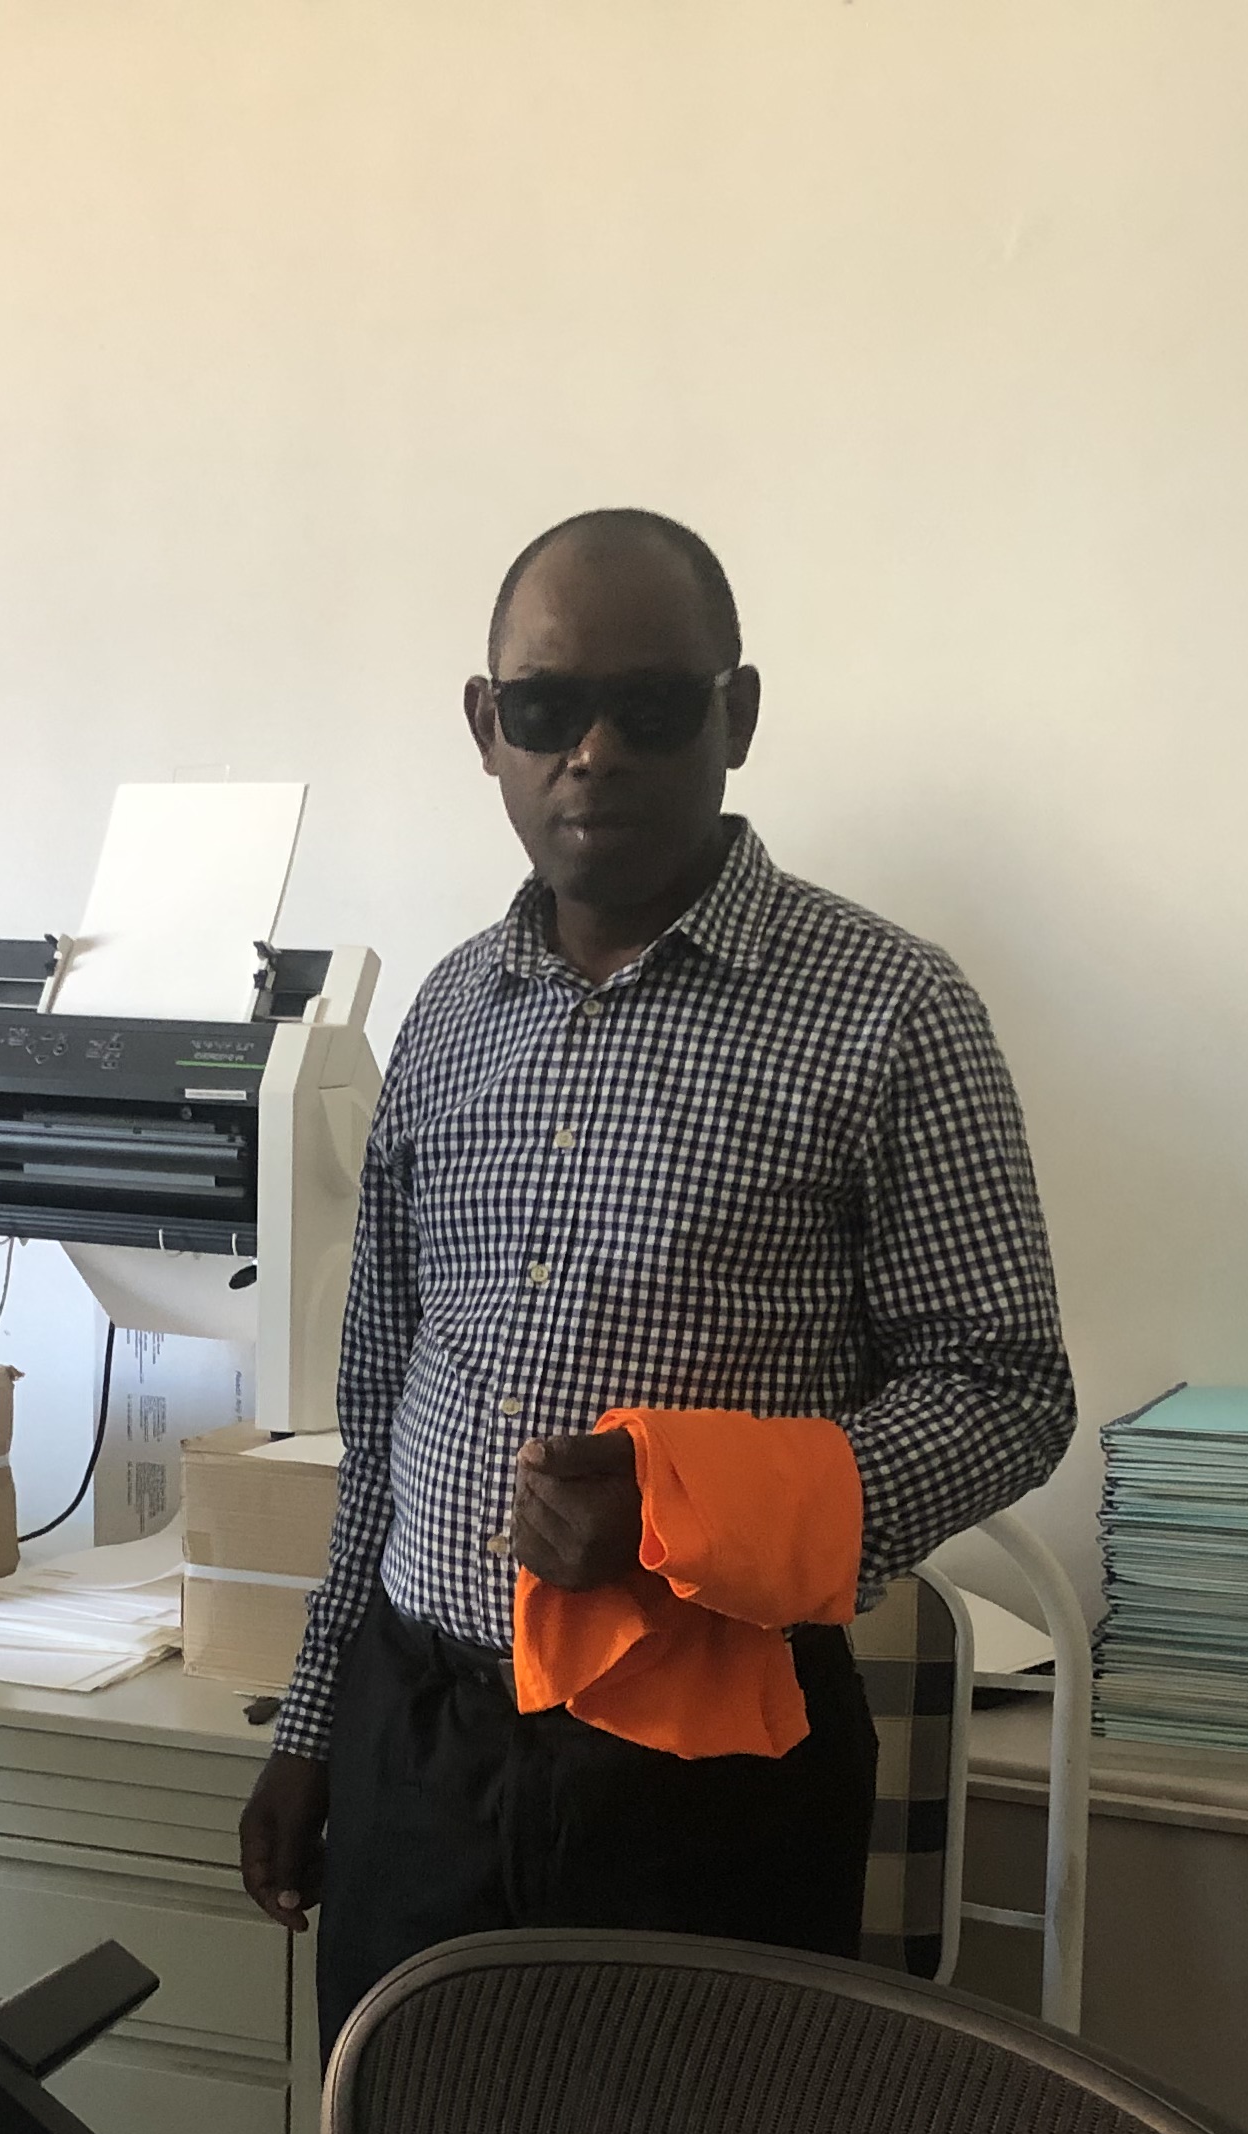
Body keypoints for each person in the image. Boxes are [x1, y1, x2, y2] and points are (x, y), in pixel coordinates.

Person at [241, 508, 1076, 2027]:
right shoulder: (447, 1017)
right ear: (489, 730)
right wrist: (314, 1725)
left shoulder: (890, 1015)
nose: (597, 753)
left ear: (738, 716)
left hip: (712, 1765)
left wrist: (682, 1505)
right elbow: (383, 1411)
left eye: (657, 706)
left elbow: (1008, 1390)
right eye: (550, 711)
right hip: (423, 1741)